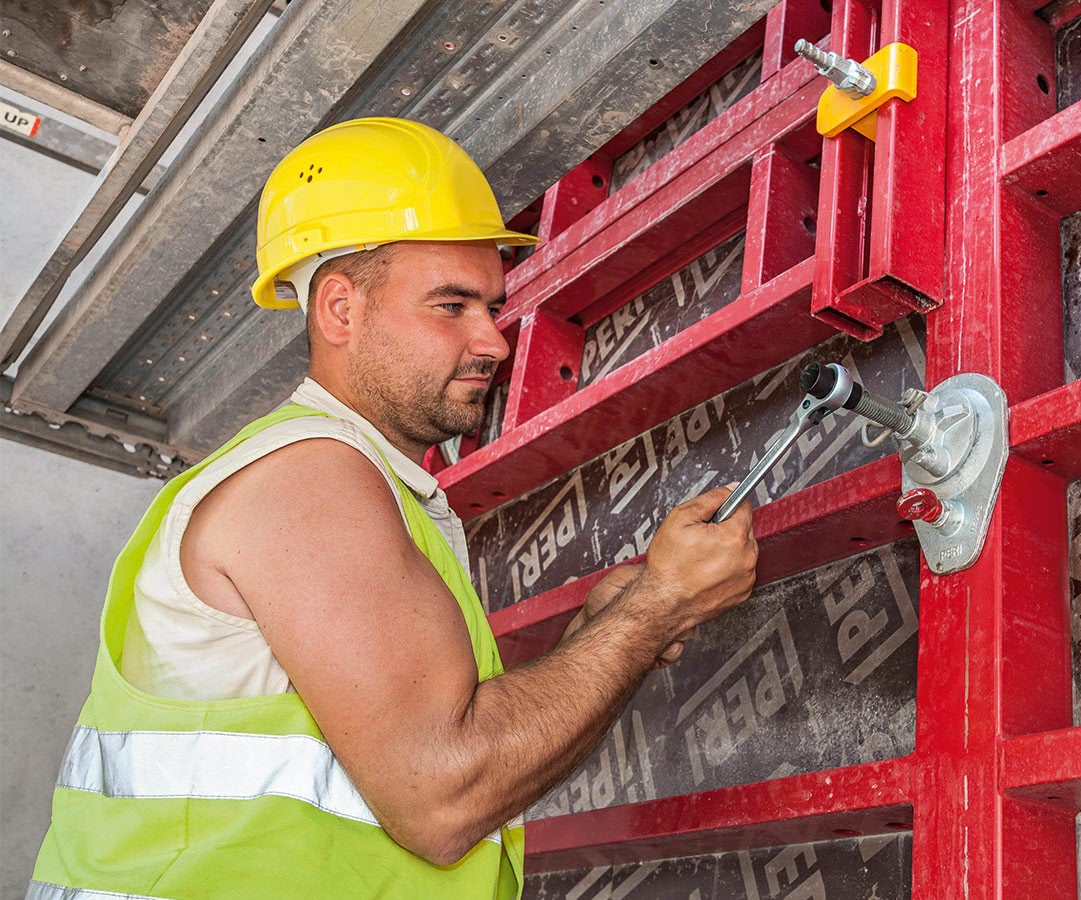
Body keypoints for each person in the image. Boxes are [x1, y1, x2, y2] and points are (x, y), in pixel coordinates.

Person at [29, 117, 758, 899]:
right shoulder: (306, 480)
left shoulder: (357, 483)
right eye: (451, 306)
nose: (495, 342)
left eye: (491, 307)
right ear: (340, 310)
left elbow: (422, 737)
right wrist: (656, 607)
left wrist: (604, 633)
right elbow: (442, 795)